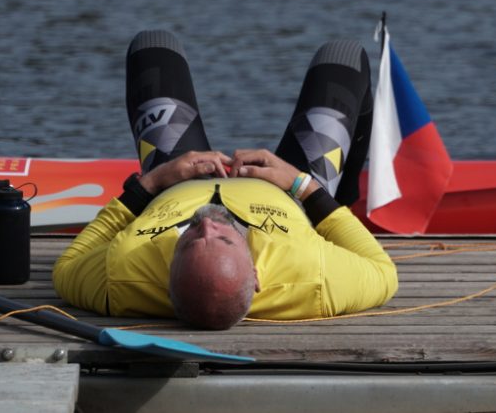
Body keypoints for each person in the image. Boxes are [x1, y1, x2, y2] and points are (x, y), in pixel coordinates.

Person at [52, 30, 398, 330]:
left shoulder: (121, 277)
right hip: (288, 191)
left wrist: (153, 182)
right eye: (226, 241)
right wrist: (305, 186)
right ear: (256, 276)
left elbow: (67, 266)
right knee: (343, 57)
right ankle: (345, 197)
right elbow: (383, 272)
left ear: (167, 276)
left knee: (152, 47)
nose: (207, 225)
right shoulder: (313, 277)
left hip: (176, 178)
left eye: (188, 242)